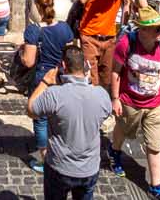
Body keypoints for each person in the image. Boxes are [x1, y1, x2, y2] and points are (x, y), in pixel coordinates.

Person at [109, 1, 160, 200]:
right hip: (129, 100)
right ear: (143, 30)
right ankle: (114, 151)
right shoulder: (126, 44)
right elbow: (115, 72)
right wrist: (115, 99)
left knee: (155, 143)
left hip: (155, 102)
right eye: (156, 28)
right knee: (123, 130)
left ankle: (156, 186)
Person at [27, 39, 112, 200]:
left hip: (60, 167)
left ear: (64, 67)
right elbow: (105, 113)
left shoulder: (54, 95)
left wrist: (45, 81)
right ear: (85, 66)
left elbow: (31, 109)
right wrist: (89, 80)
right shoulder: (101, 96)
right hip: (89, 168)